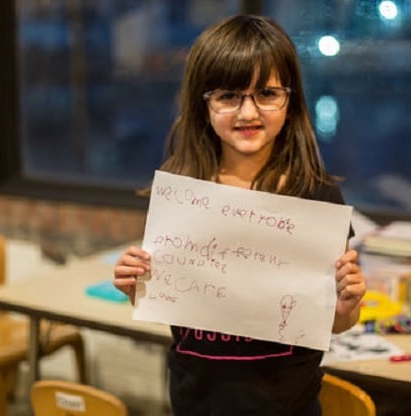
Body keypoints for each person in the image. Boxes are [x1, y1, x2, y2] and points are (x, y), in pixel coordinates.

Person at [113, 14, 366, 416]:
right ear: (204, 104)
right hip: (196, 405)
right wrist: (137, 285)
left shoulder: (317, 197)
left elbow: (335, 323)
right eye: (229, 96)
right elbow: (173, 300)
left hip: (288, 407)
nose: (248, 112)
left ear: (291, 100)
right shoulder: (184, 194)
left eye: (266, 93)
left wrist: (346, 307)